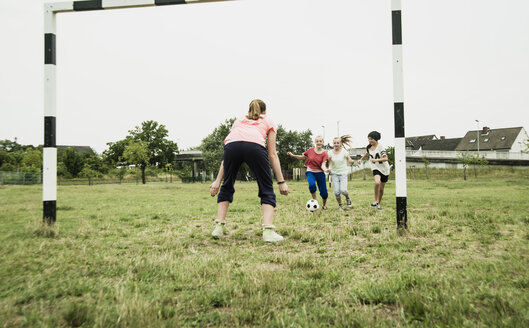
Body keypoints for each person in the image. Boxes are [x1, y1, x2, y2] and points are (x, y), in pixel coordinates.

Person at [209, 99, 289, 242]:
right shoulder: (268, 121)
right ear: (264, 111)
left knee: (227, 184)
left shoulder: (238, 121)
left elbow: (225, 159)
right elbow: (272, 154)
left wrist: (217, 181)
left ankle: (218, 228)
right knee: (266, 187)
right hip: (254, 146)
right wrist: (281, 181)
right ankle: (268, 231)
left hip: (231, 146)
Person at [287, 135, 329, 210]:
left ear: (323, 142)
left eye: (320, 141)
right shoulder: (310, 150)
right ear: (315, 142)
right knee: (312, 185)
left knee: (324, 192)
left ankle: (324, 205)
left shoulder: (325, 153)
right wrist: (293, 155)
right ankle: (315, 201)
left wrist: (325, 170)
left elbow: (323, 164)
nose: (319, 142)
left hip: (320, 172)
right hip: (310, 171)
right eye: (317, 141)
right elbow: (302, 157)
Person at [357, 131, 390, 210]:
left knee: (381, 189)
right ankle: (375, 200)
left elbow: (386, 158)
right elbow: (367, 153)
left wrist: (376, 160)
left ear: (376, 139)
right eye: (368, 139)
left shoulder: (380, 147)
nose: (369, 140)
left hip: (384, 169)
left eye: (371, 139)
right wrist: (361, 159)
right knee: (377, 182)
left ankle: (379, 203)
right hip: (375, 168)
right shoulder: (369, 147)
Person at [327, 135, 355, 210]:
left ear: (341, 144)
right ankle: (340, 205)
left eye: (337, 143)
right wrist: (328, 160)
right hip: (334, 173)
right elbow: (326, 164)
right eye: (334, 143)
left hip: (343, 173)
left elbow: (349, 159)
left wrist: (351, 161)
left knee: (343, 190)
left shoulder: (344, 152)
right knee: (336, 192)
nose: (336, 144)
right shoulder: (330, 152)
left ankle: (348, 198)